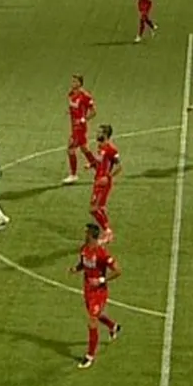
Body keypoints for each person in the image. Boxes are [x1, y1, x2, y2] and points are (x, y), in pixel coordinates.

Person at [72, 223, 122, 369]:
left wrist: (101, 280)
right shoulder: (84, 249)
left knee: (92, 320)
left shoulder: (102, 253)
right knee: (96, 315)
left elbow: (118, 271)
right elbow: (83, 263)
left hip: (99, 292)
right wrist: (76, 268)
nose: (84, 235)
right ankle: (113, 326)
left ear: (91, 235)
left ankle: (89, 356)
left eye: (86, 233)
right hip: (88, 289)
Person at [63, 74, 99, 184]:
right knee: (84, 149)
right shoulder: (71, 94)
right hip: (73, 126)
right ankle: (100, 170)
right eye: (72, 81)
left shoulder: (85, 96)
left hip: (80, 128)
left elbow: (93, 112)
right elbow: (74, 107)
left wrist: (84, 119)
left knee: (70, 149)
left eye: (75, 81)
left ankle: (73, 175)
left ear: (80, 83)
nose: (73, 83)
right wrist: (70, 112)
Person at [89, 124, 121, 243]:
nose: (97, 134)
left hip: (104, 183)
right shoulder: (100, 147)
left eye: (100, 132)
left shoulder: (111, 149)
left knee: (94, 209)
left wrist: (108, 177)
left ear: (106, 134)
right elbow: (99, 162)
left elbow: (119, 167)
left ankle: (108, 232)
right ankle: (107, 232)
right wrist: (91, 165)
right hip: (97, 181)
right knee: (99, 208)